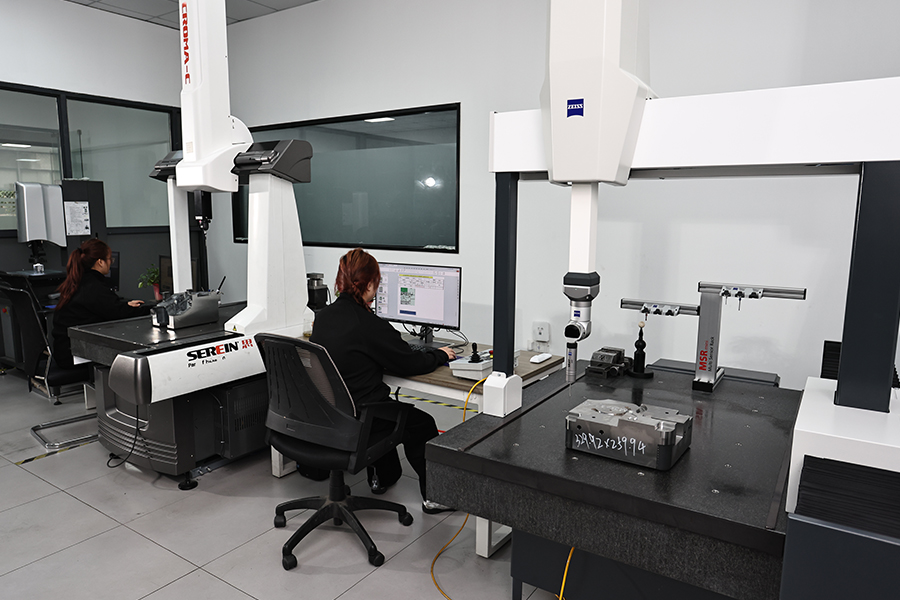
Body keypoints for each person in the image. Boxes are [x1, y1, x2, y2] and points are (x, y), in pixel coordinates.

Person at [310, 248, 457, 514]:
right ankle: (435, 497)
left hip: (326, 415)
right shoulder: (368, 324)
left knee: (384, 406)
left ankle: (382, 478)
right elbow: (410, 363)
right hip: (360, 418)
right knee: (420, 423)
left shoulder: (323, 317)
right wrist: (439, 354)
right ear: (369, 285)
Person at [52, 239, 152, 369]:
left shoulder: (79, 281)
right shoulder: (93, 287)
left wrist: (125, 305)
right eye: (110, 259)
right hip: (74, 358)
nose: (110, 263)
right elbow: (118, 313)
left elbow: (109, 307)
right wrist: (154, 309)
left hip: (64, 351)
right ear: (100, 262)